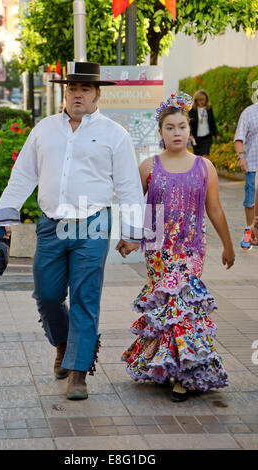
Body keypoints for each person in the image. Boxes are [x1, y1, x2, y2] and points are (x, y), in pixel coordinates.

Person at [0, 62, 145, 401]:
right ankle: (63, 342)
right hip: (51, 225)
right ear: (64, 92)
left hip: (94, 225)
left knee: (86, 300)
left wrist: (132, 233)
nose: (78, 94)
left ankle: (77, 372)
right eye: (72, 87)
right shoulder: (44, 130)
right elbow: (22, 177)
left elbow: (129, 185)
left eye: (85, 89)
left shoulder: (116, 134)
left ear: (97, 95)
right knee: (47, 296)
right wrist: (3, 224)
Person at [122, 92, 235, 402]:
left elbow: (215, 209)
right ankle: (164, 363)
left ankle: (184, 376)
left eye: (182, 127)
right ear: (160, 132)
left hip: (190, 250)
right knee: (165, 306)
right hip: (156, 248)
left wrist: (228, 245)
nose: (177, 133)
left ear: (190, 129)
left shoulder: (204, 167)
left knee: (182, 305)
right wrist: (130, 238)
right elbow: (133, 206)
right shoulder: (148, 167)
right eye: (170, 127)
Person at [234, 101, 258, 251]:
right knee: (251, 199)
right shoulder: (249, 112)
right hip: (253, 165)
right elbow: (239, 138)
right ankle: (249, 230)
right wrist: (241, 157)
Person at [189, 89, 219, 157]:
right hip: (196, 137)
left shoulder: (209, 108)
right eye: (199, 100)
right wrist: (190, 134)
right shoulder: (192, 110)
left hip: (207, 136)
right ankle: (199, 168)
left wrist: (216, 134)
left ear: (206, 100)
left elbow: (212, 122)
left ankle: (205, 168)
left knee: (205, 155)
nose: (201, 102)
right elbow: (189, 124)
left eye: (203, 100)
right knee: (198, 157)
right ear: (196, 100)